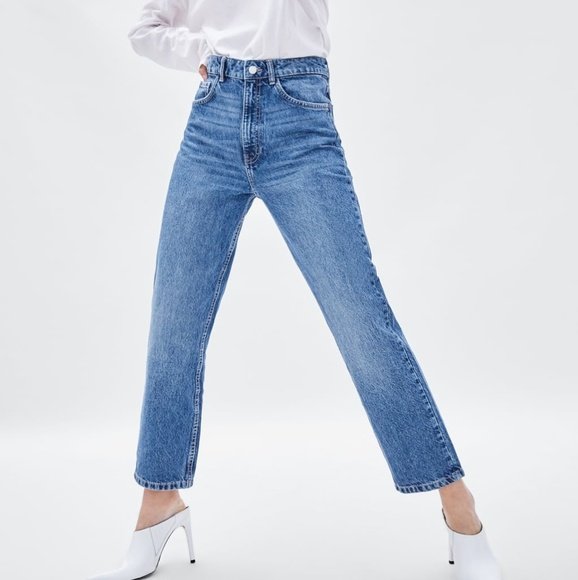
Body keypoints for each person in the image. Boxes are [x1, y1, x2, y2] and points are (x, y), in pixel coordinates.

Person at [88, 1, 503, 579]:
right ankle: (159, 500)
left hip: (298, 114)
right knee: (172, 326)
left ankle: (458, 502)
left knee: (361, 322)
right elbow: (146, 29)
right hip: (213, 119)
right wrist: (201, 53)